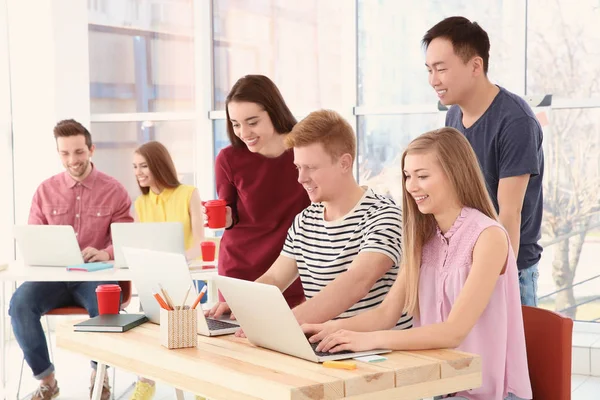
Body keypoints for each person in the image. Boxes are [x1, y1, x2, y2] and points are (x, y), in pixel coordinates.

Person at [303, 128, 532, 400]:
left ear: (455, 174)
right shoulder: (422, 238)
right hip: (439, 386)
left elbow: (452, 333)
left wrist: (370, 340)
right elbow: (386, 314)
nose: (411, 186)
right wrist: (328, 329)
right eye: (408, 176)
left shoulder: (489, 237)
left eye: (422, 176)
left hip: (487, 392)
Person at [209, 110, 412, 331]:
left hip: (381, 354)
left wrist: (288, 322)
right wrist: (242, 303)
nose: (301, 178)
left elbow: (356, 282)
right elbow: (275, 277)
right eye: (298, 167)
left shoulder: (385, 216)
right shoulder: (305, 220)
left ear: (344, 163)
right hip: (326, 348)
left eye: (311, 168)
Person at [423, 16, 544, 306]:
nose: (433, 80)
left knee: (508, 352)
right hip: (465, 260)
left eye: (441, 69)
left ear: (475, 66)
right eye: (429, 70)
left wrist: (499, 280)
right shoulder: (453, 117)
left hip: (508, 266)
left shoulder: (516, 120)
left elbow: (510, 214)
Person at [9, 119, 133, 400]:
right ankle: (47, 381)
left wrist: (106, 253)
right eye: (64, 153)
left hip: (96, 277)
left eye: (78, 152)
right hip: (52, 277)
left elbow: (124, 240)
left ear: (91, 149)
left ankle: (98, 377)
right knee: (20, 304)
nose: (72, 160)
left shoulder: (114, 190)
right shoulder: (44, 191)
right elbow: (34, 236)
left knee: (105, 307)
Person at [205, 75, 310, 310]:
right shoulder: (228, 159)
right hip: (239, 268)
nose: (244, 132)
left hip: (290, 270)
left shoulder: (306, 151)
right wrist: (224, 216)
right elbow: (229, 212)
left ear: (274, 112)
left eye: (252, 122)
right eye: (235, 124)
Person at [128, 140, 205, 399]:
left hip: (183, 280)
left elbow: (200, 243)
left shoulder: (188, 193)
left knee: (190, 340)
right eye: (135, 167)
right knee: (144, 333)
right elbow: (139, 245)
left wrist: (180, 258)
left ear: (159, 165)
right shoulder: (141, 203)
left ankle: (198, 389)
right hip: (152, 280)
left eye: (143, 166)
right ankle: (145, 383)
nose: (138, 172)